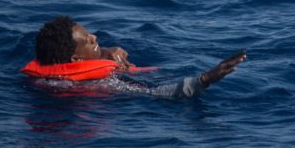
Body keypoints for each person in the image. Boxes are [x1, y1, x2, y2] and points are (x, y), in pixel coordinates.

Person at [22, 16, 247, 98]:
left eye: (89, 32)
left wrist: (103, 53)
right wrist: (205, 79)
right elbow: (154, 93)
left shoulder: (51, 72)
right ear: (75, 60)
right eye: (88, 40)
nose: (94, 36)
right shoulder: (100, 83)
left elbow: (88, 55)